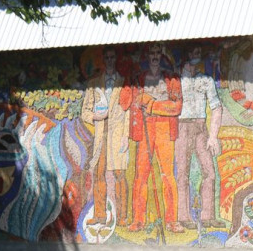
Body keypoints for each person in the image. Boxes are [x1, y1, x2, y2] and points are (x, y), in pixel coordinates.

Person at [127, 42, 184, 233]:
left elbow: (176, 107)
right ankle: (138, 220)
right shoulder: (139, 79)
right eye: (151, 52)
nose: (154, 56)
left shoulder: (171, 79)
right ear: (147, 56)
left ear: (162, 56)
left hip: (164, 128)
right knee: (140, 175)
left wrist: (151, 104)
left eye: (157, 53)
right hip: (145, 129)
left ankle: (171, 221)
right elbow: (132, 102)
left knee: (168, 175)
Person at [175, 44, 224, 230]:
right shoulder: (179, 79)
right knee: (182, 174)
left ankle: (207, 216)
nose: (197, 54)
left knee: (209, 172)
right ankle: (183, 216)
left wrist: (213, 136)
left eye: (198, 52)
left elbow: (216, 107)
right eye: (194, 51)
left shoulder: (206, 80)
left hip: (201, 127)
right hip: (182, 126)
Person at [80, 47, 131, 225]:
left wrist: (126, 136)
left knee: (119, 174)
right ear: (103, 59)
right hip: (101, 133)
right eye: (107, 57)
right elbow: (84, 112)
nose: (110, 60)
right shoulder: (94, 84)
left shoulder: (124, 82)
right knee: (98, 173)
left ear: (116, 59)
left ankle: (123, 216)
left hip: (117, 134)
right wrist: (95, 116)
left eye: (112, 57)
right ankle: (100, 215)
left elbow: (128, 112)